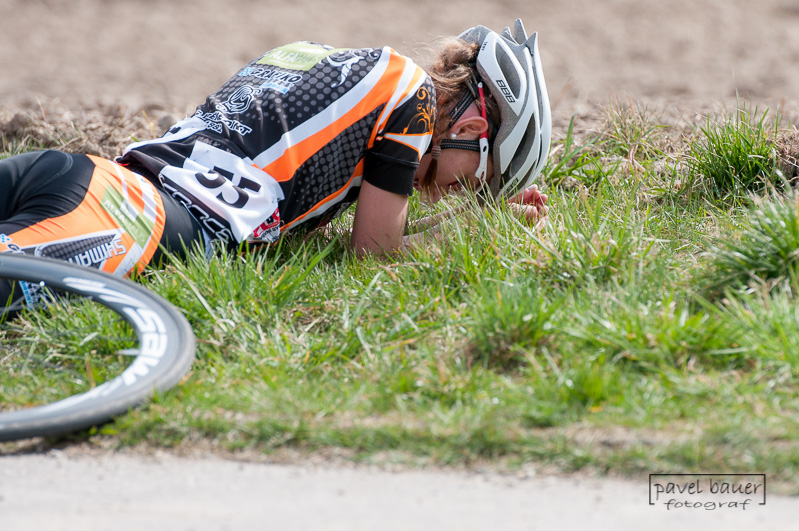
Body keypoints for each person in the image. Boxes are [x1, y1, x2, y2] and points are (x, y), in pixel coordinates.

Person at [0, 19, 551, 309]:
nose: (454, 195)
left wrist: (471, 219)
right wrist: (482, 230)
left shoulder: (323, 65)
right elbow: (373, 254)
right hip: (130, 216)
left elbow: (338, 232)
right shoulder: (414, 98)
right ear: (471, 132)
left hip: (82, 175)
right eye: (477, 183)